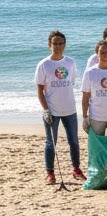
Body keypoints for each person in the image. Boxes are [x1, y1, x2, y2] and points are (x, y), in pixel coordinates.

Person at [35, 30, 85, 183]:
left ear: (65, 45)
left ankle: (76, 169)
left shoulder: (70, 62)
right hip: (52, 111)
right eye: (55, 43)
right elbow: (40, 91)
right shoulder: (44, 64)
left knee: (74, 141)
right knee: (51, 143)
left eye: (60, 43)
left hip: (69, 109)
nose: (57, 46)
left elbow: (71, 83)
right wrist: (46, 110)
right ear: (49, 45)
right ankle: (50, 173)